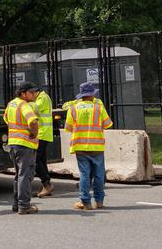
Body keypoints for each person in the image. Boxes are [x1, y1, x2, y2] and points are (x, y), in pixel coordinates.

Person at [64, 81, 113, 210]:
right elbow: (108, 124)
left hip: (80, 146)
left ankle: (85, 202)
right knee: (99, 175)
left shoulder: (73, 109)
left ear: (81, 95)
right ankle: (99, 201)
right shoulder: (99, 108)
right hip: (97, 147)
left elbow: (68, 128)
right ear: (91, 95)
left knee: (84, 175)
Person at [4, 81, 40, 215]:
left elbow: (6, 118)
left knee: (19, 175)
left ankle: (16, 204)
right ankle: (24, 206)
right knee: (25, 175)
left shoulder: (11, 104)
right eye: (31, 92)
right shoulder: (24, 105)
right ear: (23, 94)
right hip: (24, 144)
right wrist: (33, 133)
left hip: (13, 143)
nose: (34, 94)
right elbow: (33, 121)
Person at [32, 86, 55, 198]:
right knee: (41, 160)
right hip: (43, 133)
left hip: (42, 133)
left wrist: (23, 103)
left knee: (35, 160)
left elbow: (35, 108)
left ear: (35, 92)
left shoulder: (42, 98)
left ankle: (47, 184)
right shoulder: (42, 97)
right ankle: (46, 186)